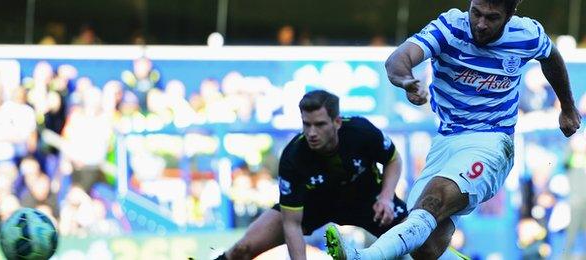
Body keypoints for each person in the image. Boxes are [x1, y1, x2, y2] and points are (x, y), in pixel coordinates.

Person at [326, 0, 582, 259]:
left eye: (492, 18)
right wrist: (406, 80)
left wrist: (568, 107)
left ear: (509, 15)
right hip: (445, 142)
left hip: (492, 142)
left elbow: (551, 57)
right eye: (476, 13)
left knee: (432, 202)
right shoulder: (449, 27)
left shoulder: (526, 33)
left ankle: (363, 257)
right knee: (424, 246)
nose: (480, 24)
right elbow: (398, 59)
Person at [216, 90, 408, 259]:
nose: (311, 133)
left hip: (367, 200)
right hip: (315, 205)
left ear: (337, 122)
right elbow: (291, 225)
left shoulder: (361, 131)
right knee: (243, 249)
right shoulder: (293, 156)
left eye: (320, 124)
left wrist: (386, 197)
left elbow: (393, 160)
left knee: (423, 243)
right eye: (306, 124)